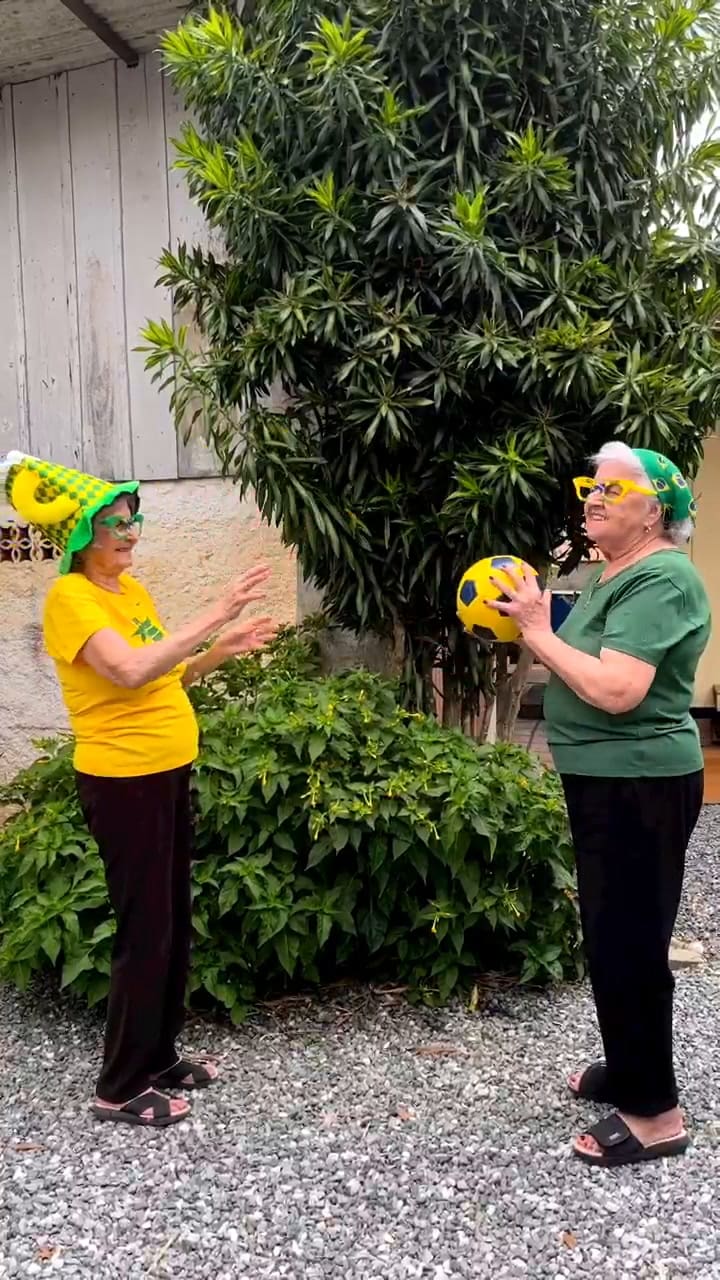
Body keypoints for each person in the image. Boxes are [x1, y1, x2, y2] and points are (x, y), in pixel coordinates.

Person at [2, 451, 277, 1128]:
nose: (131, 533)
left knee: (172, 920)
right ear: (81, 535)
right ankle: (121, 1085)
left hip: (165, 771)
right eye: (116, 523)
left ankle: (159, 1056)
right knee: (144, 927)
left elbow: (163, 673)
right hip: (124, 780)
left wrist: (218, 651)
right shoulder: (71, 599)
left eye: (134, 520)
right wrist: (214, 612)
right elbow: (126, 671)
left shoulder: (132, 594)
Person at [487, 441, 710, 1169]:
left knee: (630, 943)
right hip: (607, 779)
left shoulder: (662, 579)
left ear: (655, 511)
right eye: (592, 485)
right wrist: (530, 615)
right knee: (610, 935)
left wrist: (537, 631)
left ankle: (655, 1115)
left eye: (614, 489)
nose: (594, 496)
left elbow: (618, 690)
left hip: (639, 783)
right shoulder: (615, 573)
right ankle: (628, 1067)